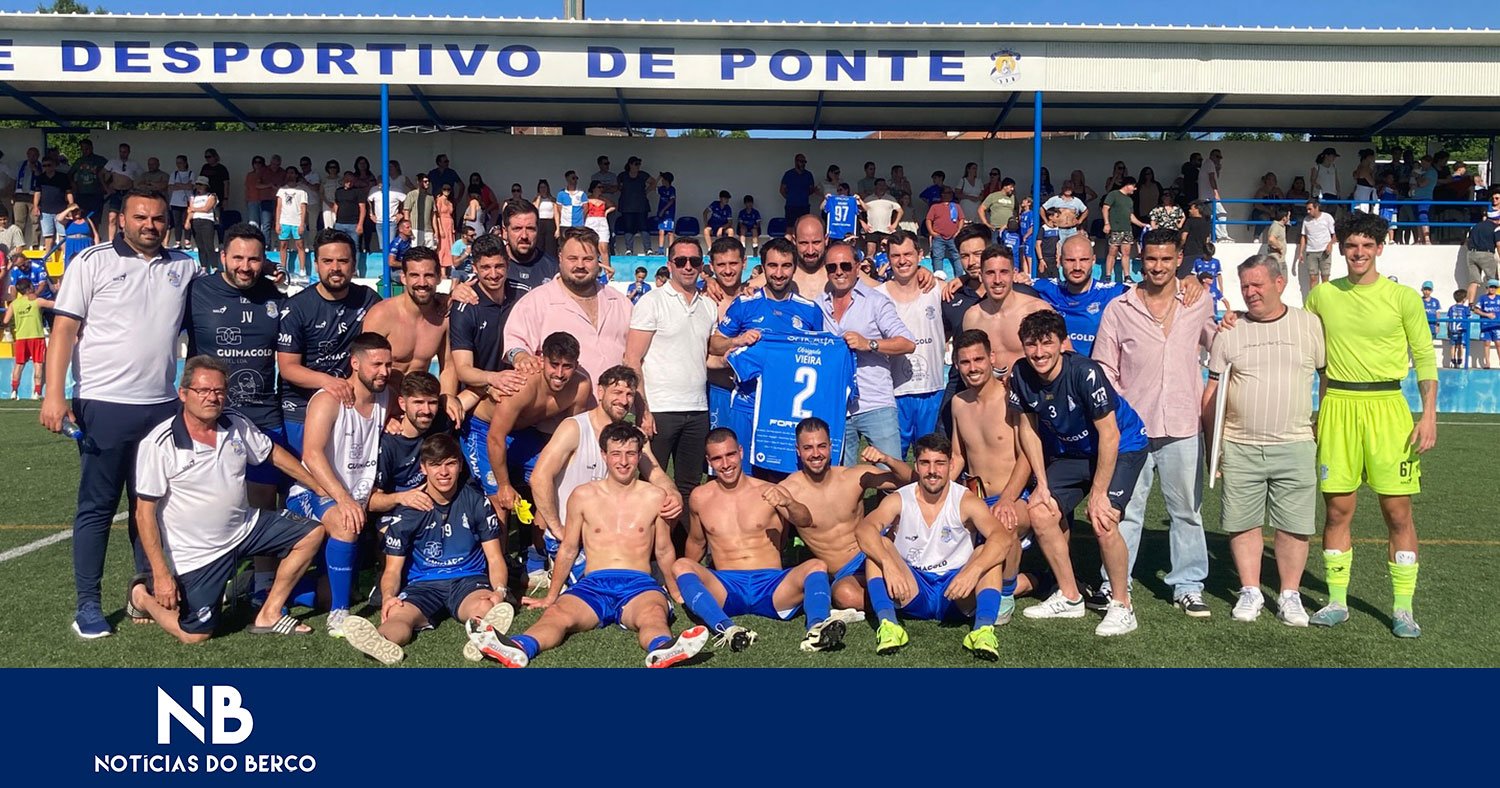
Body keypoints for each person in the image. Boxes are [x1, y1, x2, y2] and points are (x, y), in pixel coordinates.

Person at [41, 187, 198, 639]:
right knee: (97, 507)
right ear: (120, 220)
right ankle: (87, 604)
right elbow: (65, 330)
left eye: (157, 218)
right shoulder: (91, 262)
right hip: (103, 403)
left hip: (162, 406)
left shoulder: (183, 266)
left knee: (150, 503)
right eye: (141, 217)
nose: (150, 225)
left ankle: (145, 588)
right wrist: (56, 396)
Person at [1297, 212, 1438, 637]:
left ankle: (1403, 608)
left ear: (1379, 248)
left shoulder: (1403, 298)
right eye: (1352, 246)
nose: (1358, 253)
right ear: (1341, 248)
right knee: (1338, 508)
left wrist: (1428, 415)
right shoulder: (1322, 297)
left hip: (1388, 408)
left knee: (1397, 512)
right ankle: (1337, 601)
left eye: (1366, 246)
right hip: (1338, 406)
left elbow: (1426, 359)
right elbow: (1304, 349)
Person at [129, 355, 328, 643]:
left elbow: (271, 453)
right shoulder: (159, 444)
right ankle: (140, 596)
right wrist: (160, 575)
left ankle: (269, 613)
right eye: (203, 391)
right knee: (195, 635)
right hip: (198, 554)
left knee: (311, 533)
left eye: (219, 391)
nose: (213, 397)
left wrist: (318, 486)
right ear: (183, 394)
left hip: (246, 529)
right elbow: (143, 514)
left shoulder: (236, 423)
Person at [488, 423, 710, 668]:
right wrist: (552, 595)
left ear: (639, 456)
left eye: (630, 454)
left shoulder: (654, 496)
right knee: (557, 614)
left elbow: (664, 550)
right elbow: (569, 548)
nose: (623, 461)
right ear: (604, 455)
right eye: (616, 453)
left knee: (653, 615)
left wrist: (675, 591)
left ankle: (661, 649)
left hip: (639, 584)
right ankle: (519, 647)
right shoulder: (583, 496)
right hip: (593, 584)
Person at [1092, 228, 1215, 616]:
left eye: (1166, 259)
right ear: (1140, 260)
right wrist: (1120, 411)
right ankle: (1116, 582)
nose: (1158, 267)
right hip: (1133, 431)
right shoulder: (1119, 308)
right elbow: (1103, 367)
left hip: (1182, 424)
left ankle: (1189, 584)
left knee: (1187, 511)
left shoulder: (1199, 302)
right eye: (1151, 259)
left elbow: (1221, 344)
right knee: (1125, 510)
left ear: (1179, 259)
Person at [1011, 310, 1150, 636]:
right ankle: (1070, 596)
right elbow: (1027, 429)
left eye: (1047, 343)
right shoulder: (1021, 372)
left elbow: (1110, 435)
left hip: (1123, 445)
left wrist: (1099, 493)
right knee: (1040, 511)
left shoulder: (1086, 373)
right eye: (1031, 345)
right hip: (1074, 451)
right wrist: (1042, 485)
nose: (1039, 352)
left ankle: (1122, 605)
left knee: (1103, 519)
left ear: (1062, 343)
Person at [1202, 255, 1323, 626]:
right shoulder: (1230, 329)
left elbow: (1327, 379)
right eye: (1245, 287)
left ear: (1279, 283)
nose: (1250, 293)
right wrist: (1214, 449)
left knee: (1294, 525)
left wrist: (1323, 427)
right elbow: (1213, 390)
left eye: (1257, 285)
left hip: (1296, 442)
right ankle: (1250, 590)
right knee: (1242, 522)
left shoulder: (1309, 325)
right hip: (1240, 443)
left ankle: (1289, 594)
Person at [343, 434, 515, 665]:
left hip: (467, 580)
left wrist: (500, 590)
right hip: (422, 584)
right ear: (423, 468)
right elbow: (392, 570)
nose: (443, 472)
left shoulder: (476, 501)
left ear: (460, 465)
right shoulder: (409, 510)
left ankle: (484, 637)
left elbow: (494, 558)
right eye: (435, 465)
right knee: (398, 615)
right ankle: (382, 640)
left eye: (450, 463)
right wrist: (389, 597)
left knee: (485, 605)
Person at [674, 429, 844, 653]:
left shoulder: (768, 490)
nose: (725, 464)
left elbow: (805, 520)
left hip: (772, 585)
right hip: (727, 586)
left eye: (730, 455)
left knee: (816, 565)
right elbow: (696, 543)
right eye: (717, 458)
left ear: (741, 452)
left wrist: (788, 502)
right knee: (681, 565)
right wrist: (684, 584)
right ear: (709, 461)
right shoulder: (700, 496)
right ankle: (728, 629)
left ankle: (818, 628)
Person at [856, 433, 1016, 659]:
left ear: (951, 466)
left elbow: (1002, 537)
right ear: (917, 466)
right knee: (878, 546)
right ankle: (889, 626)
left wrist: (973, 571)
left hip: (956, 592)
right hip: (912, 587)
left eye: (940, 463)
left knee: (985, 553)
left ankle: (982, 631)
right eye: (925, 463)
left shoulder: (965, 500)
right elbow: (864, 529)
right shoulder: (900, 498)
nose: (933, 471)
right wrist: (887, 564)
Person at [529, 365, 681, 587]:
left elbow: (655, 471)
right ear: (600, 392)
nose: (624, 400)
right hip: (574, 535)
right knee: (602, 585)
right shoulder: (575, 428)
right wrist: (556, 528)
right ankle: (550, 562)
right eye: (617, 392)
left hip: (613, 535)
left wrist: (673, 494)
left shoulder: (633, 435)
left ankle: (651, 562)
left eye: (629, 394)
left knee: (666, 502)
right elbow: (539, 478)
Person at [287, 331, 394, 636]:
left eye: (388, 364)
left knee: (324, 591)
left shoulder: (386, 395)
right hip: (313, 491)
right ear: (355, 364)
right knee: (346, 524)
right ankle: (340, 614)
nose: (384, 371)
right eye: (376, 365)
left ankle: (267, 590)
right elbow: (312, 453)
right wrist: (343, 498)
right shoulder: (327, 400)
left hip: (356, 498)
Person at [183, 222, 284, 518]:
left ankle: (263, 566)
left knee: (264, 497)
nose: (245, 266)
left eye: (254, 259)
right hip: (210, 414)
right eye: (238, 258)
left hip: (263, 413)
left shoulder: (275, 297)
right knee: (211, 501)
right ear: (223, 256)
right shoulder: (195, 293)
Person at [777, 417, 912, 616]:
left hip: (873, 550)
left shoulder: (852, 476)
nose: (816, 454)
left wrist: (888, 460)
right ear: (798, 450)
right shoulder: (787, 491)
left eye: (822, 446)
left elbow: (910, 481)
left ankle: (901, 597)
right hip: (844, 572)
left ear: (831, 446)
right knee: (843, 595)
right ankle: (900, 601)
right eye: (808, 448)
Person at [626, 237, 716, 525]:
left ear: (702, 265)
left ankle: (679, 554)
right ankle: (645, 551)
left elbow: (704, 357)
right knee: (651, 485)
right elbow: (632, 359)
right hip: (660, 410)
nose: (688, 267)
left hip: (697, 409)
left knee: (690, 486)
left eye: (694, 261)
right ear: (670, 264)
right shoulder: (652, 302)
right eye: (681, 261)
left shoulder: (708, 306)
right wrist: (643, 410)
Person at [947, 329, 1034, 620]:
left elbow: (1027, 457)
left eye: (978, 359)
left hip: (1014, 496)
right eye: (965, 362)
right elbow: (958, 456)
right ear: (956, 365)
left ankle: (1006, 592)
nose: (973, 367)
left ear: (992, 358)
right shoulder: (958, 403)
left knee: (1004, 525)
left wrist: (1008, 500)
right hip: (976, 498)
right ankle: (1030, 580)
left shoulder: (1012, 398)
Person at [275, 229, 381, 454]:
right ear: (316, 265)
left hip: (349, 405)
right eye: (327, 261)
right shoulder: (297, 308)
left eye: (343, 261)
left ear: (353, 265)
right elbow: (288, 368)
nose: (335, 268)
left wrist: (441, 299)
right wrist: (328, 382)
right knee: (302, 484)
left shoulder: (368, 299)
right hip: (300, 409)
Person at [817, 241, 916, 465]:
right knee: (841, 483)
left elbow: (908, 343)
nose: (839, 271)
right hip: (836, 407)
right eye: (832, 267)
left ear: (858, 265)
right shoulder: (817, 305)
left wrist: (868, 344)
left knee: (891, 475)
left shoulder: (876, 302)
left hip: (875, 402)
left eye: (845, 265)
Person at [481, 332, 593, 520]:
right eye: (554, 365)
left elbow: (575, 433)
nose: (559, 374)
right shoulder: (523, 385)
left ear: (576, 365)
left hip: (522, 433)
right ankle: (497, 550)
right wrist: (504, 485)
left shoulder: (580, 386)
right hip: (484, 429)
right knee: (499, 498)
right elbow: (495, 437)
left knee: (549, 483)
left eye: (567, 367)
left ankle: (543, 547)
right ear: (542, 361)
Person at [503, 228, 632, 387]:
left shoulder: (620, 303)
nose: (580, 265)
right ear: (560, 259)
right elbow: (514, 344)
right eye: (573, 258)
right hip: (560, 408)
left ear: (598, 260)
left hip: (615, 406)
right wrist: (520, 356)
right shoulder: (536, 301)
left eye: (588, 259)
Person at [359, 247, 457, 417]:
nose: (422, 283)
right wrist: (380, 414)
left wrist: (446, 401)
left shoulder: (444, 317)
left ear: (439, 278)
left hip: (420, 409)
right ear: (403, 278)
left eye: (428, 275)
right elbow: (363, 367)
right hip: (382, 408)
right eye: (414, 275)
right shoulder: (382, 315)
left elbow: (448, 366)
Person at [877, 230, 945, 457]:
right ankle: (888, 495)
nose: (902, 260)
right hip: (894, 393)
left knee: (931, 460)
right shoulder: (877, 296)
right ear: (888, 258)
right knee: (890, 462)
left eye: (908, 254)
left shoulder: (937, 288)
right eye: (895, 256)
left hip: (932, 390)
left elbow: (971, 289)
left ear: (920, 254)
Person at [369, 371, 456, 515]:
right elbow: (371, 501)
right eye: (418, 402)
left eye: (432, 403)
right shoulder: (387, 443)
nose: (426, 410)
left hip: (436, 508)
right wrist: (401, 498)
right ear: (402, 403)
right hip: (399, 513)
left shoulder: (439, 423)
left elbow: (471, 396)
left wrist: (449, 399)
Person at [962, 245, 1052, 373]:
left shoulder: (1036, 309)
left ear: (1014, 273)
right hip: (992, 391)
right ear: (981, 276)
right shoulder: (972, 317)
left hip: (1031, 390)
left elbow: (1064, 355)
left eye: (1004, 272)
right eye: (990, 273)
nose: (997, 280)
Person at [4, 277, 52, 399]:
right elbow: (55, 305)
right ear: (30, 287)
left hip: (21, 337)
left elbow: (5, 320)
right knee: (38, 365)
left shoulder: (14, 304)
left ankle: (14, 391)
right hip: (36, 337)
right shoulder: (38, 301)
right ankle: (37, 392)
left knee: (18, 365)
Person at [1102, 176, 1146, 284]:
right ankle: (1108, 276)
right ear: (1128, 185)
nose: (1134, 189)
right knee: (1112, 252)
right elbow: (1105, 208)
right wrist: (1107, 223)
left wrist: (1141, 224)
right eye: (1134, 186)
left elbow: (1131, 216)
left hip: (1127, 230)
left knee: (1126, 253)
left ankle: (1127, 276)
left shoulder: (1130, 200)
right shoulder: (1113, 194)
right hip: (1115, 229)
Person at [273, 168, 309, 278]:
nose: (290, 175)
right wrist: (277, 223)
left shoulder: (302, 191)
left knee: (300, 245)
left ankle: (302, 269)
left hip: (297, 222)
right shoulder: (281, 190)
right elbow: (279, 207)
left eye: (292, 173)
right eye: (288, 173)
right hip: (284, 221)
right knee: (283, 245)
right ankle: (283, 269)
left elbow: (303, 208)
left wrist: (302, 224)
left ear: (296, 175)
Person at [1297, 198, 1338, 288]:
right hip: (1311, 252)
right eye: (1307, 209)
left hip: (1324, 251)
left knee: (1325, 278)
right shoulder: (1306, 220)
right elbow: (1303, 236)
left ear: (1317, 208)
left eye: (1310, 209)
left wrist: (1330, 245)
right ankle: (1314, 300)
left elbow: (1334, 234)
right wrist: (1300, 252)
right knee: (1313, 278)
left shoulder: (1327, 217)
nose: (1308, 211)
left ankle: (1324, 300)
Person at [924, 186, 964, 276]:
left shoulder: (956, 206)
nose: (949, 195)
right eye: (947, 193)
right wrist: (932, 232)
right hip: (938, 237)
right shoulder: (935, 207)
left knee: (957, 256)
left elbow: (961, 219)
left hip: (953, 236)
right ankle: (938, 279)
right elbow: (928, 219)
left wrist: (958, 231)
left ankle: (960, 278)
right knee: (937, 257)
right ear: (942, 194)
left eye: (950, 193)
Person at [1463, 209, 1500, 305]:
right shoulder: (1496, 228)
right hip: (1486, 254)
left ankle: (1470, 304)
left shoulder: (1474, 227)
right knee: (1492, 280)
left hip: (1471, 254)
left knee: (1474, 281)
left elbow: (1467, 241)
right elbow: (1499, 244)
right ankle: (1489, 303)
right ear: (1497, 219)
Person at [186, 176, 218, 272]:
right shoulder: (193, 197)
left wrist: (193, 209)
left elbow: (206, 208)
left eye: (201, 185)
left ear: (206, 186)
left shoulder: (211, 196)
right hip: (196, 221)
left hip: (207, 221)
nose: (198, 187)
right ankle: (203, 267)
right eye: (197, 184)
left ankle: (214, 267)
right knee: (200, 246)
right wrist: (187, 221)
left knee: (209, 246)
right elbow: (190, 210)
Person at [1193, 241, 1228, 313]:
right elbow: (1194, 275)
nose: (1209, 257)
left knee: (1213, 306)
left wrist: (1221, 288)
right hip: (1201, 289)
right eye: (1208, 255)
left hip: (1212, 288)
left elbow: (1219, 275)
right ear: (1203, 253)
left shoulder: (1216, 262)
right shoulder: (1197, 262)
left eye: (1211, 255)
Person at [780, 153, 816, 222]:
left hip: (804, 206)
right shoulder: (788, 174)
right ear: (796, 161)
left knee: (804, 226)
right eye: (801, 161)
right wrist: (790, 197)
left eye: (805, 162)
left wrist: (804, 195)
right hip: (791, 206)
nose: (803, 164)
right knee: (790, 227)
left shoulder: (808, 174)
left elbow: (811, 189)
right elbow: (782, 190)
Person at [1474, 279, 1500, 369]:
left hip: (1497, 325)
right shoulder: (1482, 298)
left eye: (1494, 287)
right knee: (1486, 344)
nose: (1492, 289)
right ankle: (1487, 363)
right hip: (1486, 325)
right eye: (1491, 287)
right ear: (1487, 288)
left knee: (1498, 343)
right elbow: (1476, 310)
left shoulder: (1499, 298)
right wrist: (1486, 314)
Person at [1446, 290, 1471, 368]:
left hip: (1453, 330)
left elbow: (1448, 320)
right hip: (1462, 330)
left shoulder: (1451, 308)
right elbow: (1469, 319)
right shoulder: (1466, 309)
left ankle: (1453, 361)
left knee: (1453, 346)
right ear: (1464, 299)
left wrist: (1448, 330)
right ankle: (1459, 361)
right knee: (1460, 346)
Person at [653, 171, 676, 254]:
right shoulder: (661, 188)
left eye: (663, 179)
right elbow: (653, 186)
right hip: (661, 213)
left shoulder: (672, 189)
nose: (662, 181)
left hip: (669, 214)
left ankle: (671, 250)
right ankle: (661, 250)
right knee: (661, 230)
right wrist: (658, 177)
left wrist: (663, 210)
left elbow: (671, 200)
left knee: (670, 232)